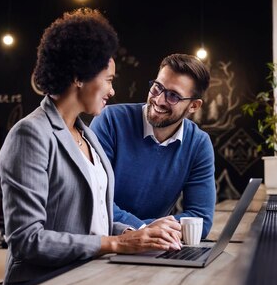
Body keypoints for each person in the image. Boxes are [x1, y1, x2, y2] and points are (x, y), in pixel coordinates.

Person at [0, 9, 181, 285]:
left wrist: (141, 232)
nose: (112, 91)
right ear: (79, 76)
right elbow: (27, 240)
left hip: (87, 283)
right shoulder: (30, 134)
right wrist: (117, 243)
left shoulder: (87, 135)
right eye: (108, 80)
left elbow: (94, 222)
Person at [90, 53, 216, 237]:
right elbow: (94, 199)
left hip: (152, 247)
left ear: (194, 106)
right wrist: (143, 229)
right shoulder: (109, 120)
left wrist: (149, 232)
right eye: (157, 87)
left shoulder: (198, 144)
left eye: (173, 96)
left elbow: (200, 219)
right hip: (102, 242)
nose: (159, 100)